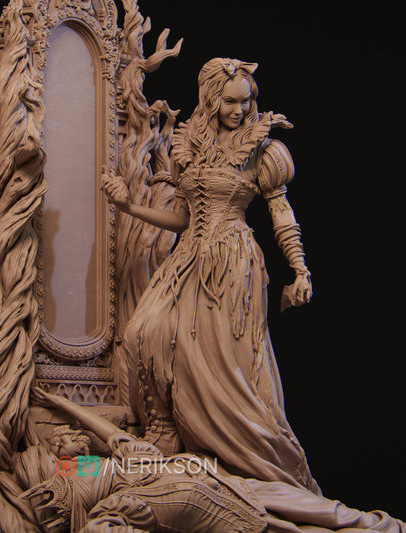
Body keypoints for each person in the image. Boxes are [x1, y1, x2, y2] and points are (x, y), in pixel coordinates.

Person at [101, 57, 318, 495]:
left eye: (247, 101)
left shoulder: (263, 150)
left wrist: (299, 268)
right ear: (210, 98)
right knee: (144, 333)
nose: (241, 110)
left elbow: (282, 213)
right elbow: (181, 218)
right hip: (188, 256)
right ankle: (166, 430)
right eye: (231, 101)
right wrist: (127, 206)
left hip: (232, 262)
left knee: (220, 361)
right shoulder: (190, 145)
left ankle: (238, 453)